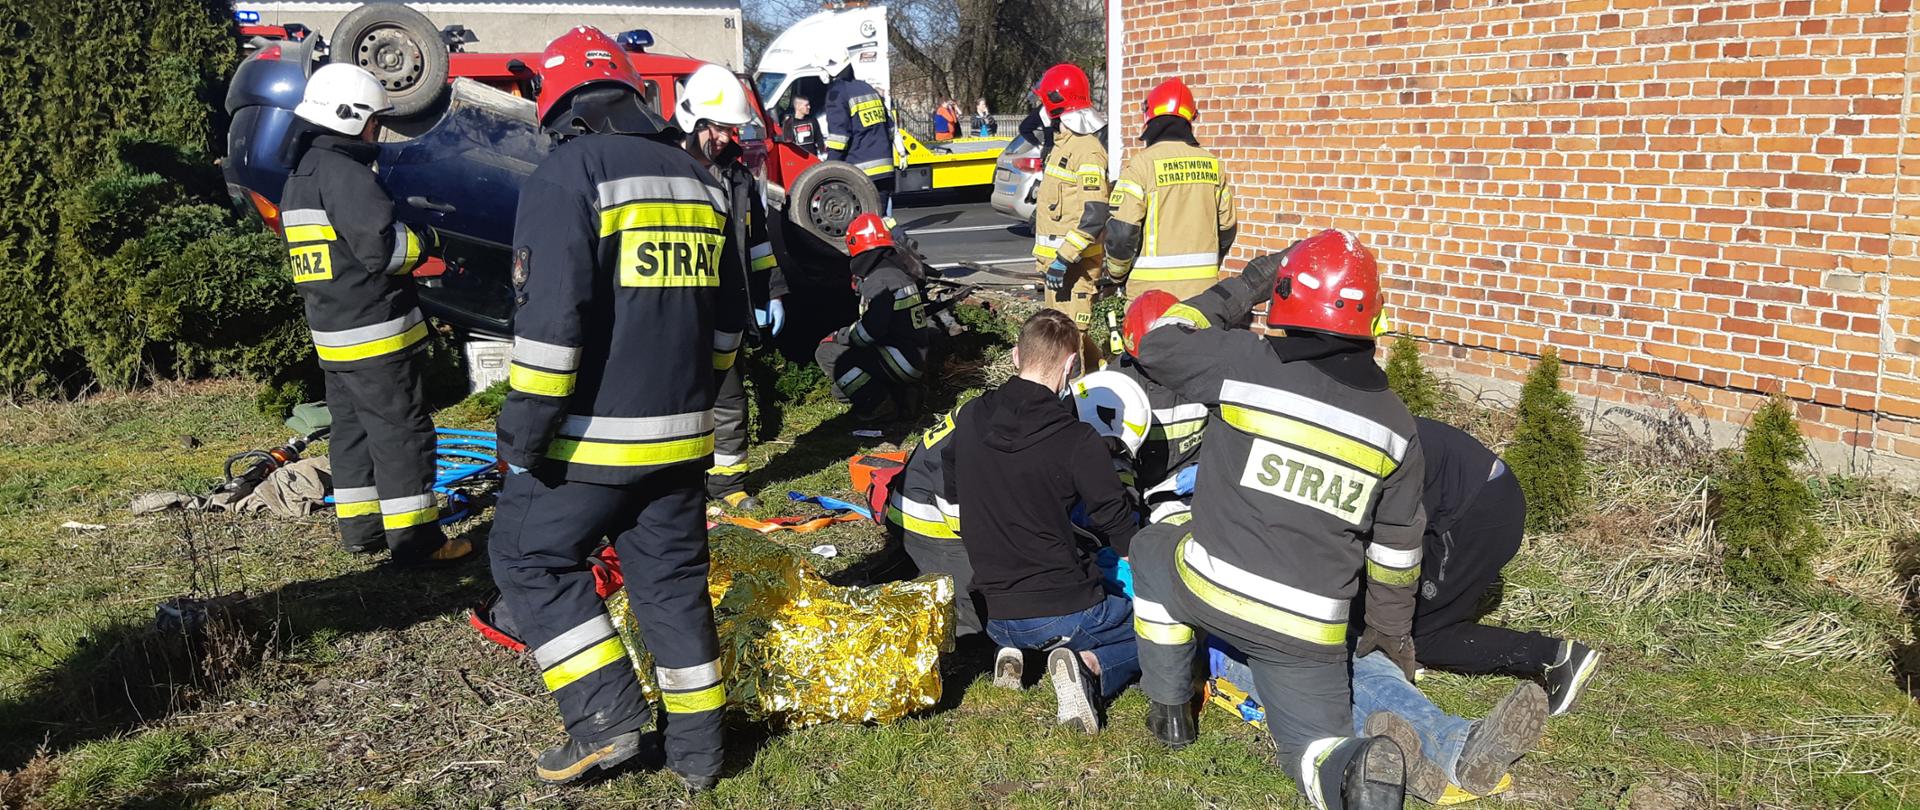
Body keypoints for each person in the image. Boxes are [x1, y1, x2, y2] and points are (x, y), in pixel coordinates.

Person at [486, 27, 745, 790]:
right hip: (682, 439)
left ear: (561, 103)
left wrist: (523, 435)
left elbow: (551, 326)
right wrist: (701, 394)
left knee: (527, 557)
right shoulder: (701, 179)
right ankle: (701, 757)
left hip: (588, 443)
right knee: (669, 586)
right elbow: (730, 320)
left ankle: (606, 718)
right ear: (632, 95)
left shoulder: (570, 173)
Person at [1126, 230, 1422, 809]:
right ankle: (1344, 773)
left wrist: (1251, 281)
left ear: (1285, 298)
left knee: (1150, 551)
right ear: (1373, 315)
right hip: (1308, 632)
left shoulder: (1242, 362)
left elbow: (1160, 342)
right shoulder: (1397, 426)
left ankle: (1169, 709)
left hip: (1208, 587)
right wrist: (1390, 634)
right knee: (1313, 746)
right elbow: (1397, 549)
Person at [279, 63, 470, 565]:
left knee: (352, 432)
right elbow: (381, 249)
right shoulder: (346, 174)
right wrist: (426, 237)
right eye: (373, 121)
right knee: (400, 433)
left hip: (334, 334)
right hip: (376, 334)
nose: (377, 131)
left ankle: (362, 530)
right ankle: (419, 544)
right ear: (350, 118)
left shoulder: (301, 176)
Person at [942, 309, 1141, 733]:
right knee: (1159, 630)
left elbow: (955, 486)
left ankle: (1012, 653)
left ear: (1016, 356)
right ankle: (1090, 667)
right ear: (1070, 366)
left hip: (992, 612)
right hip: (1061, 612)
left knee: (1035, 614)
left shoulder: (972, 415)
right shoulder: (1076, 439)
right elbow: (1119, 526)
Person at [1409, 416, 1601, 715]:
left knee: (1421, 636)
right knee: (1404, 618)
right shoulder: (1371, 424)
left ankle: (1556, 656)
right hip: (1473, 502)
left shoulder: (1375, 447)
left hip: (1479, 514)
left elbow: (1393, 541)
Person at [677, 64, 789, 511]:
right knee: (677, 400)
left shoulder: (736, 178)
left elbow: (758, 242)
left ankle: (728, 484)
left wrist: (772, 291)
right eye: (716, 129)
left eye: (729, 130)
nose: (724, 139)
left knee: (727, 394)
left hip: (725, 306)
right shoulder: (667, 169)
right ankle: (679, 486)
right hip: (678, 306)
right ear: (692, 120)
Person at [1104, 78, 1238, 302]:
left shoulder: (1141, 166)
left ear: (1150, 117)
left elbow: (1122, 231)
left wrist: (1117, 275)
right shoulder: (1212, 164)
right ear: (1191, 118)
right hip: (1202, 294)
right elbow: (1227, 227)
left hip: (1151, 295)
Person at [1029, 64, 1111, 353]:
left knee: (1070, 345)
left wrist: (1063, 258)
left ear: (1055, 105)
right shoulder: (1062, 147)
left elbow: (1095, 214)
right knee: (1066, 344)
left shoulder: (1087, 150)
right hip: (1058, 272)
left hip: (1073, 271)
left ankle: (1079, 397)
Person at [815, 213, 928, 421]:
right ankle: (901, 396)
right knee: (840, 391)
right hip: (913, 358)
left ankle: (878, 404)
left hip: (900, 360)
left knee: (827, 353)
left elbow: (868, 333)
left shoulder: (878, 281)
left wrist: (838, 337)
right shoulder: (897, 273)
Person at [883, 404, 980, 637]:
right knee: (976, 620)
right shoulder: (990, 431)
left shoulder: (988, 407)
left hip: (924, 504)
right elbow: (956, 509)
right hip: (931, 521)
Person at [821, 67, 896, 212]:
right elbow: (890, 129)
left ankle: (898, 235)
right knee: (879, 220)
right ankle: (896, 234)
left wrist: (827, 170)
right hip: (885, 169)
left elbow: (839, 140)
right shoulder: (867, 88)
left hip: (861, 173)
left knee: (862, 223)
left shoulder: (838, 92)